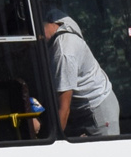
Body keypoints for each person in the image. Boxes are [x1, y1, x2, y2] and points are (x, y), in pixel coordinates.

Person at [42, 7, 120, 137]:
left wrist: (51, 143)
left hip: (98, 108)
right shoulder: (57, 17)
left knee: (107, 155)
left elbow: (64, 109)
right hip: (81, 108)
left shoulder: (64, 54)